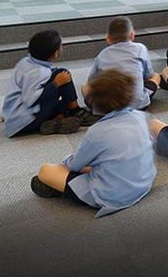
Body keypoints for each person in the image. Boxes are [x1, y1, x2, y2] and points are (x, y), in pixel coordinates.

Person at [31, 70, 157, 217]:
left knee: (46, 171)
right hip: (144, 183)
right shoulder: (142, 117)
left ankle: (60, 189)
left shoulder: (97, 132)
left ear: (94, 102)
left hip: (112, 195)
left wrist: (65, 161)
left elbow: (74, 165)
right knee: (102, 160)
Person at [3, 30, 98, 137]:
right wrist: (55, 84)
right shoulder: (40, 72)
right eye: (61, 45)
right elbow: (30, 100)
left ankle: (56, 120)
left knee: (60, 82)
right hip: (25, 122)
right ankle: (74, 113)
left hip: (14, 115)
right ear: (56, 53)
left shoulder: (25, 62)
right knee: (62, 76)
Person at [89, 17, 160, 110]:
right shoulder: (140, 48)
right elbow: (148, 74)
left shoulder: (103, 54)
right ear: (132, 35)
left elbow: (92, 80)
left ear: (108, 38)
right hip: (137, 104)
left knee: (85, 87)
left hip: (106, 106)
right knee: (156, 76)